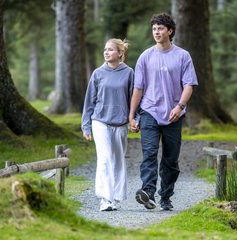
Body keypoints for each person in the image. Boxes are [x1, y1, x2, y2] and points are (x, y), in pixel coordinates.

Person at [129, 13, 198, 211]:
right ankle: (147, 192)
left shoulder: (183, 56)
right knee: (149, 153)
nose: (156, 32)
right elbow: (138, 89)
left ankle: (166, 196)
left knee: (170, 159)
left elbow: (189, 86)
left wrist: (180, 107)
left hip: (173, 114)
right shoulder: (145, 56)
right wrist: (132, 115)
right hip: (149, 111)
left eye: (160, 28)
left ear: (170, 31)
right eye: (154, 29)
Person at [81, 38, 134, 211]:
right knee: (104, 159)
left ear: (120, 53)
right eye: (105, 49)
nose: (106, 52)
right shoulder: (98, 73)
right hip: (100, 121)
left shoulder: (129, 73)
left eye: (110, 50)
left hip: (120, 122)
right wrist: (86, 126)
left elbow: (134, 99)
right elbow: (89, 102)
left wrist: (135, 119)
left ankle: (116, 197)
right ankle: (105, 198)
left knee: (118, 160)